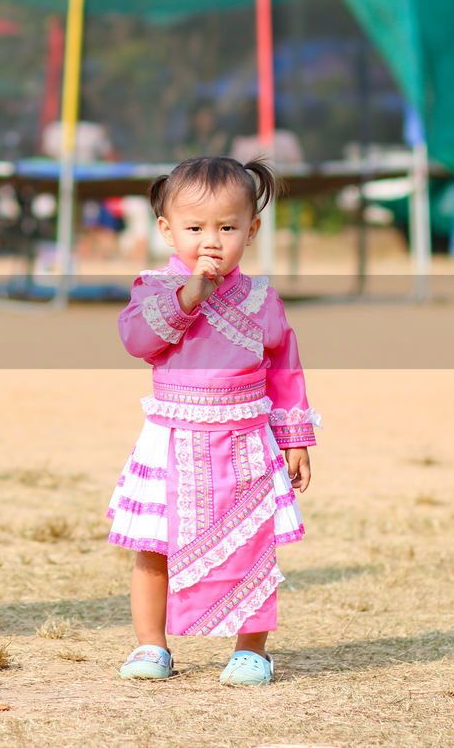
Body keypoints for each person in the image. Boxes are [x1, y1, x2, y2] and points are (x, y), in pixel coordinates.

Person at [107, 156, 319, 685]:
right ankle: (150, 646)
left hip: (246, 438)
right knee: (155, 547)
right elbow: (137, 340)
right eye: (195, 227)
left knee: (253, 547)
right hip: (174, 438)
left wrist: (295, 439)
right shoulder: (154, 287)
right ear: (166, 230)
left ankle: (251, 650)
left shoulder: (262, 298)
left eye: (227, 227)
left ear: (252, 230)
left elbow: (285, 371)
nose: (212, 240)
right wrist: (188, 298)